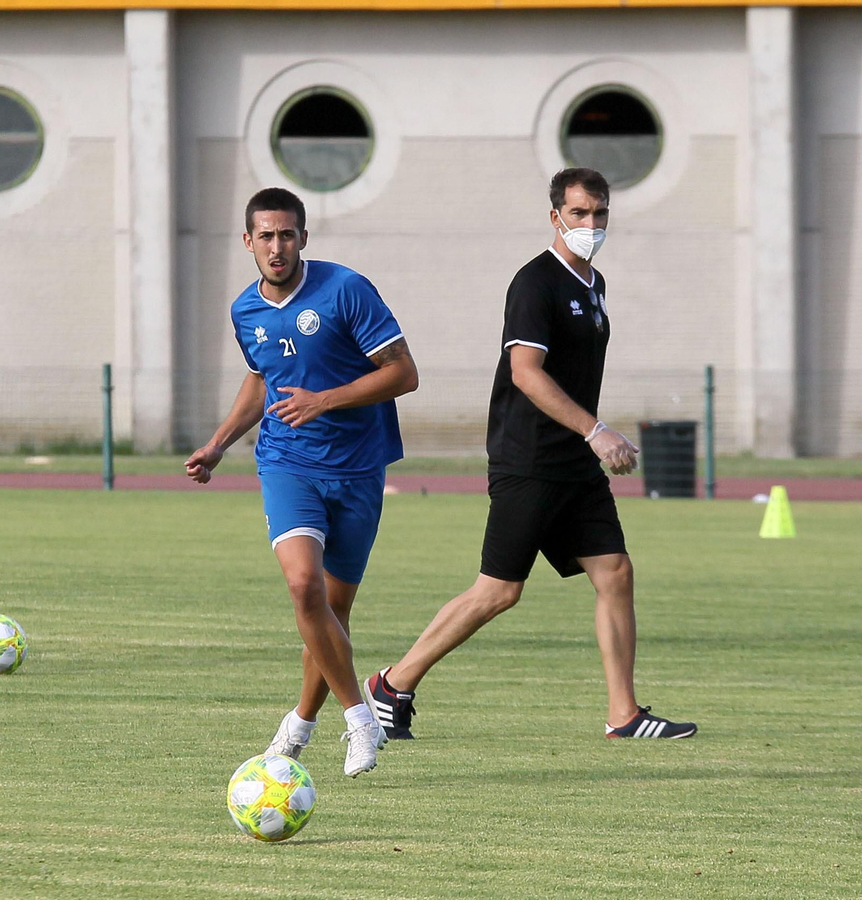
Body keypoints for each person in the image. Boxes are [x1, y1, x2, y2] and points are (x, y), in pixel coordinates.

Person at [366, 168, 696, 742]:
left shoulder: (594, 284)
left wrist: (586, 441)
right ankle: (390, 685)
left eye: (599, 214)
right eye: (578, 214)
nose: (590, 224)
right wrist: (596, 430)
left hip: (573, 464)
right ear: (555, 217)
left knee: (614, 571)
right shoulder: (534, 284)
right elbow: (525, 373)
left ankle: (625, 715)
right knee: (498, 590)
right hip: (530, 459)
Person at [185, 187, 419, 776]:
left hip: (359, 468)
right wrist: (217, 445)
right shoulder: (245, 310)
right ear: (248, 242)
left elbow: (404, 374)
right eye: (265, 235)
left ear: (303, 238)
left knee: (332, 611)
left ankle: (300, 721)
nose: (276, 245)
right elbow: (262, 379)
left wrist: (326, 401)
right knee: (301, 586)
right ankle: (362, 720)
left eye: (287, 234)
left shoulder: (346, 290)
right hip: (287, 463)